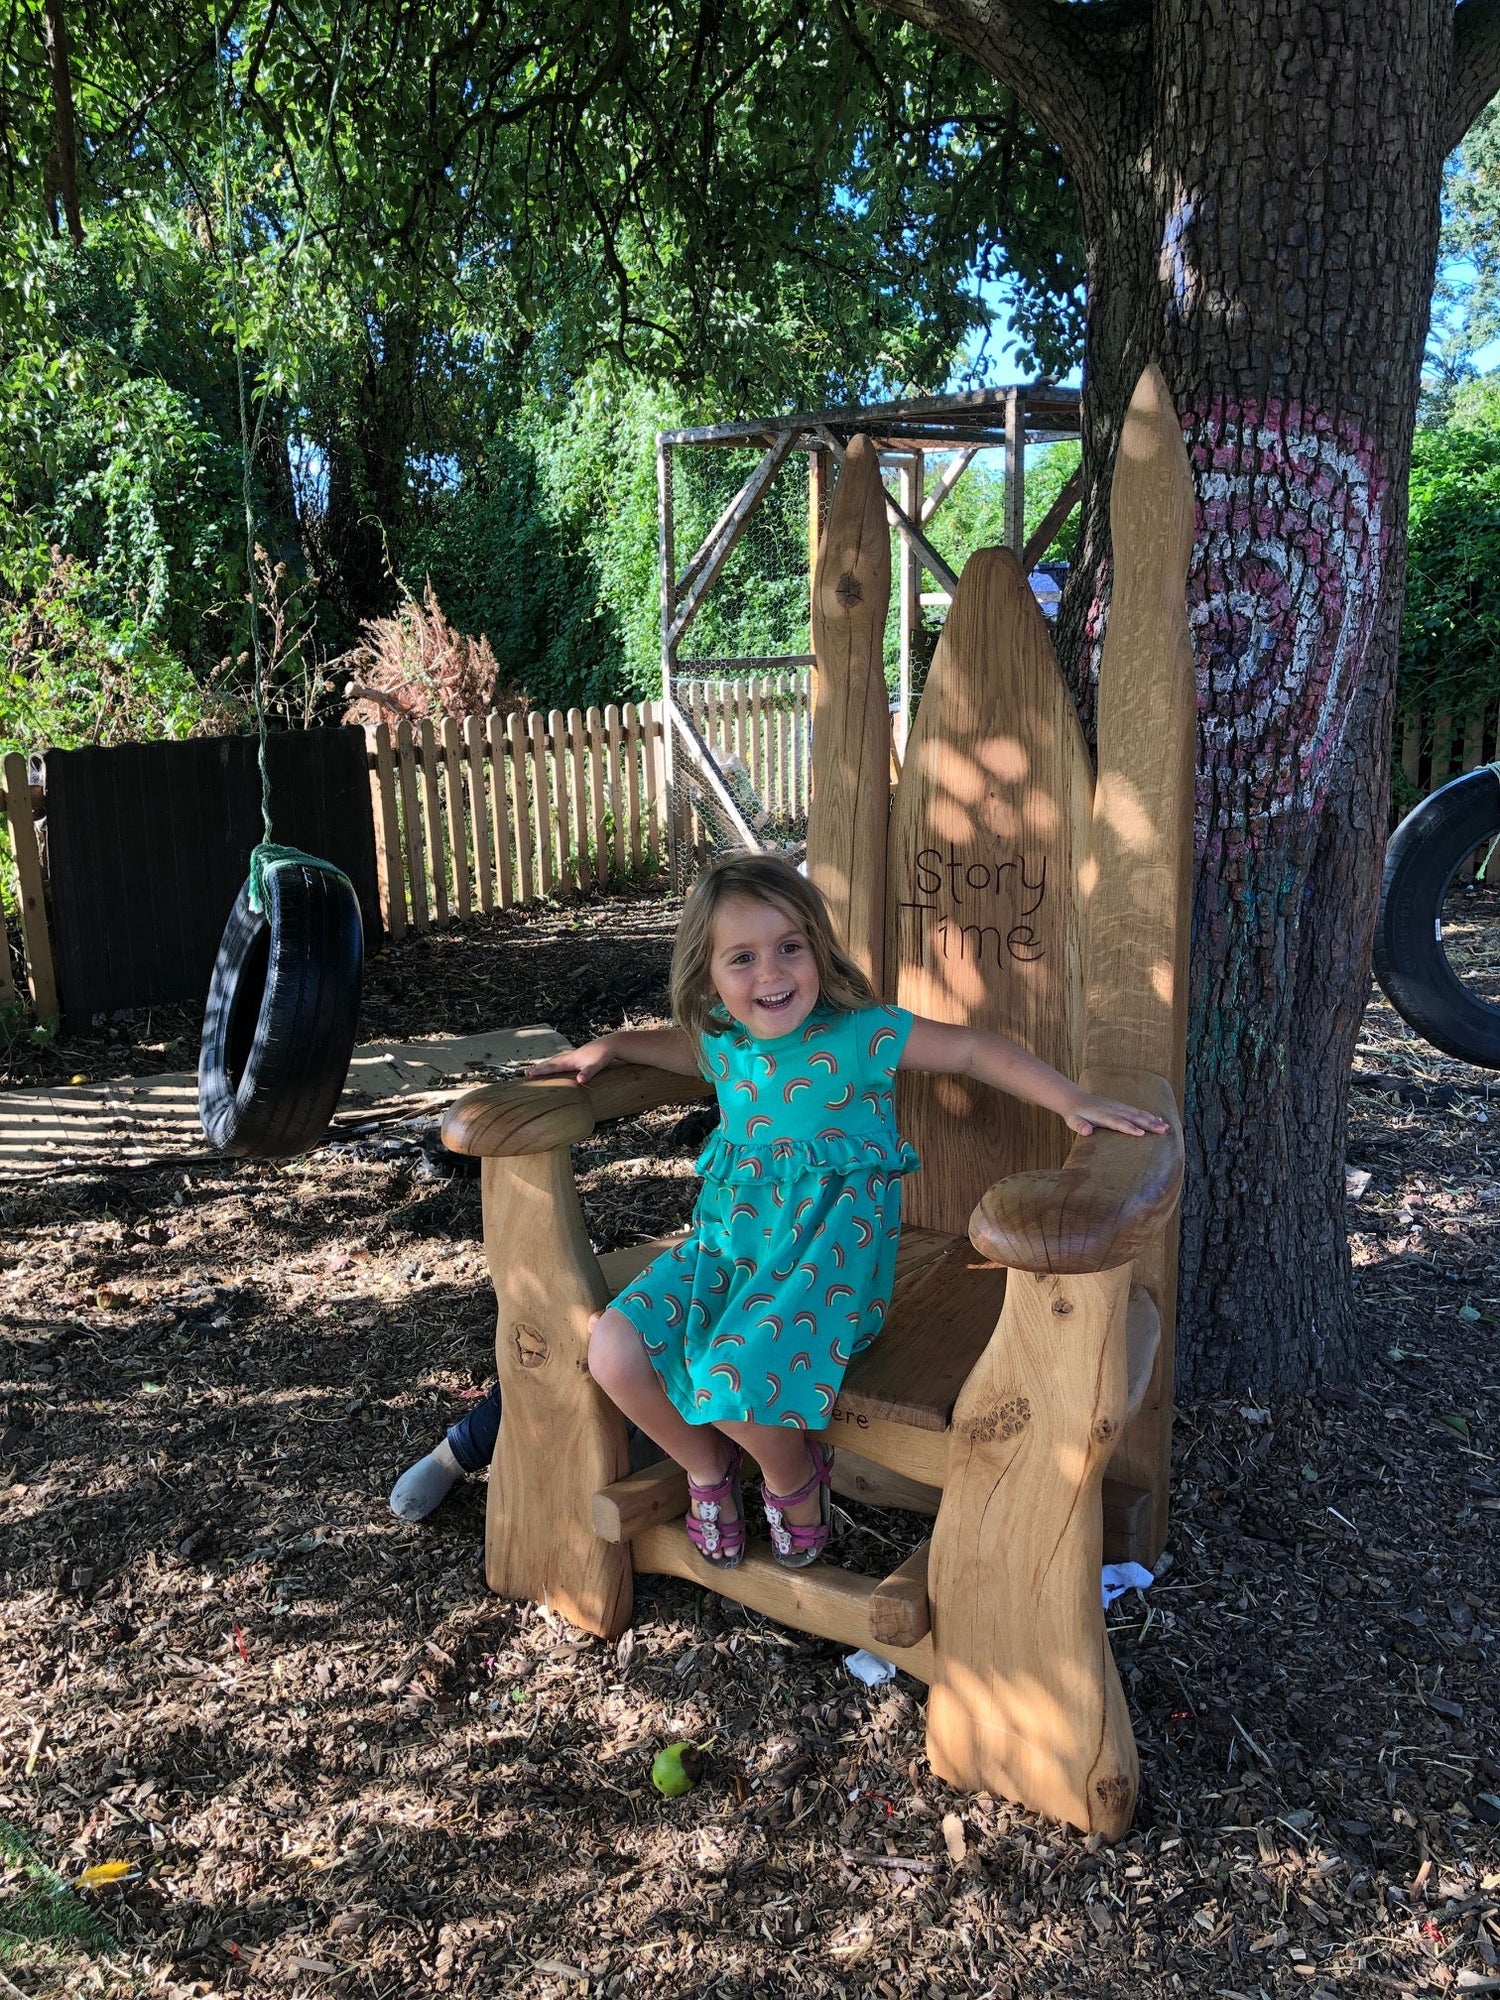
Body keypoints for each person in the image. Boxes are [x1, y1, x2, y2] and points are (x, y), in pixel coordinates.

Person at [528, 852, 1167, 1573]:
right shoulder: (725, 1042)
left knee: (733, 1386)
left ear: (817, 949)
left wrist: (1072, 1100)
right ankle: (706, 1467)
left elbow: (970, 1050)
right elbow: (686, 1048)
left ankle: (792, 1476)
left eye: (789, 948)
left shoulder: (857, 1035)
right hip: (729, 1254)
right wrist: (612, 1046)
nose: (770, 974)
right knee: (613, 1348)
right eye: (742, 958)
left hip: (823, 1273)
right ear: (707, 976)